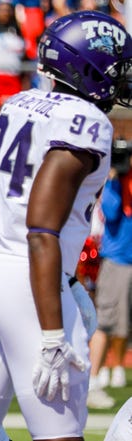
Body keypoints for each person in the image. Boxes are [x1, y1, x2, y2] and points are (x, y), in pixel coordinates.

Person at [0, 10, 131, 440]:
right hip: (28, 282)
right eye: (117, 67)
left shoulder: (21, 103)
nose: (121, 78)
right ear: (90, 68)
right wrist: (51, 334)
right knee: (60, 434)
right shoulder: (86, 122)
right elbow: (41, 227)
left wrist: (72, 281)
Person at [87, 139, 132, 408]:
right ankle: (92, 380)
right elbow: (111, 213)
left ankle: (108, 371)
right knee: (105, 320)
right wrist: (115, 177)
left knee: (123, 322)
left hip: (127, 262)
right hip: (117, 261)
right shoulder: (115, 184)